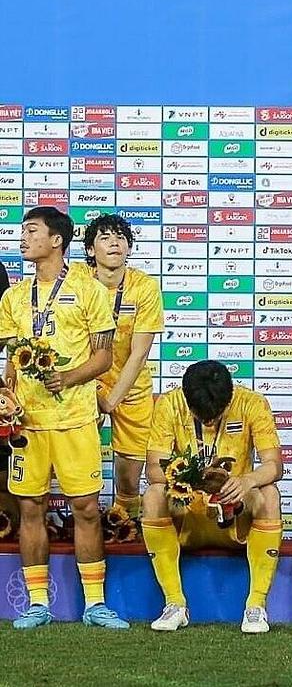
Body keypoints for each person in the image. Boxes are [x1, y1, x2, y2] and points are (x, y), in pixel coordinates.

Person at [2, 207, 128, 629]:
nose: (23, 239)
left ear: (57, 240)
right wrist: (6, 395)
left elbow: (104, 357)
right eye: (22, 232)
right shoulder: (13, 297)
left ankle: (95, 604)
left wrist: (68, 377)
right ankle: (38, 604)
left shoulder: (89, 290)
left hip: (76, 418)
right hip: (28, 423)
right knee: (30, 507)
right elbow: (11, 360)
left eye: (31, 231)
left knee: (87, 508)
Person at [140, 361, 284, 633]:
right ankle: (174, 604)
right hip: (188, 514)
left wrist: (247, 481)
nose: (208, 422)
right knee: (153, 495)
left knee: (269, 494)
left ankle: (256, 606)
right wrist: (193, 479)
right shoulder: (169, 404)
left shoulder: (252, 403)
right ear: (186, 399)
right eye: (201, 416)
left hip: (234, 512)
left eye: (216, 415)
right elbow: (153, 471)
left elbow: (274, 465)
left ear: (229, 398)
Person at [83, 213, 163, 528]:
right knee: (78, 465)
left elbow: (140, 353)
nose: (114, 243)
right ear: (90, 250)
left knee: (130, 477)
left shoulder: (144, 287)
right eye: (105, 237)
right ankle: (86, 525)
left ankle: (124, 526)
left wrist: (111, 400)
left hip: (131, 387)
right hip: (84, 382)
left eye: (120, 237)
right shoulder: (76, 281)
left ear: (129, 247)